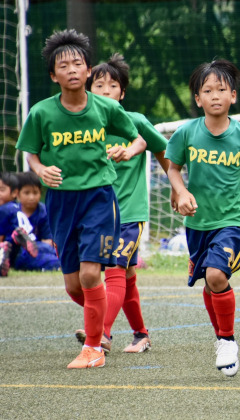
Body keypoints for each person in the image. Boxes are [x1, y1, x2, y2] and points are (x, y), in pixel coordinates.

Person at [15, 29, 146, 369]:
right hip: (60, 204)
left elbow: (139, 140)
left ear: (88, 71)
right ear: (52, 74)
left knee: (91, 275)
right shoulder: (42, 113)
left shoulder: (104, 107)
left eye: (78, 63)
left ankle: (94, 348)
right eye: (64, 65)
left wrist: (126, 151)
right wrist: (41, 170)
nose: (72, 69)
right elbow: (30, 153)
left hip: (99, 198)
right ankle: (98, 325)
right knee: (75, 285)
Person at [166, 59, 240, 377]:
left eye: (221, 89)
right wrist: (181, 193)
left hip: (235, 221)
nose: (215, 95)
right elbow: (173, 168)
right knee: (210, 282)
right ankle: (220, 336)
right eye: (207, 90)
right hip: (198, 223)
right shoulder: (186, 133)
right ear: (198, 99)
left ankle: (228, 341)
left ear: (233, 96)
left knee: (215, 276)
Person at [74, 53, 172, 354]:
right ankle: (141, 334)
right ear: (89, 91)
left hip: (130, 213)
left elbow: (163, 151)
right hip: (97, 215)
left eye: (112, 85)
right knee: (125, 277)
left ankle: (101, 333)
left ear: (122, 92)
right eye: (99, 85)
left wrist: (178, 191)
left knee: (116, 266)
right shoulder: (84, 128)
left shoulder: (136, 122)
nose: (105, 91)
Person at [12, 171, 61, 271]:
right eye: (27, 193)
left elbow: (47, 243)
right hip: (15, 252)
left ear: (40, 192)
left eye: (35, 193)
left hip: (37, 251)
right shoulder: (10, 211)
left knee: (49, 252)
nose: (31, 197)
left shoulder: (44, 212)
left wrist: (33, 246)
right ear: (17, 193)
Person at [0, 172, 20, 276]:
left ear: (14, 193)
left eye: (2, 190)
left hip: (13, 252)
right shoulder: (18, 207)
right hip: (34, 245)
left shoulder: (3, 209)